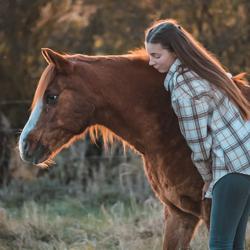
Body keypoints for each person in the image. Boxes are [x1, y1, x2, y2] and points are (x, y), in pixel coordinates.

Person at [144, 19, 250, 250]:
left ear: (174, 52)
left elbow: (198, 142)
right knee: (234, 244)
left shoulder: (184, 89)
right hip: (246, 160)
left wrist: (207, 179)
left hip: (230, 168)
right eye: (149, 55)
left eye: (156, 55)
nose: (150, 62)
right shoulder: (202, 70)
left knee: (220, 244)